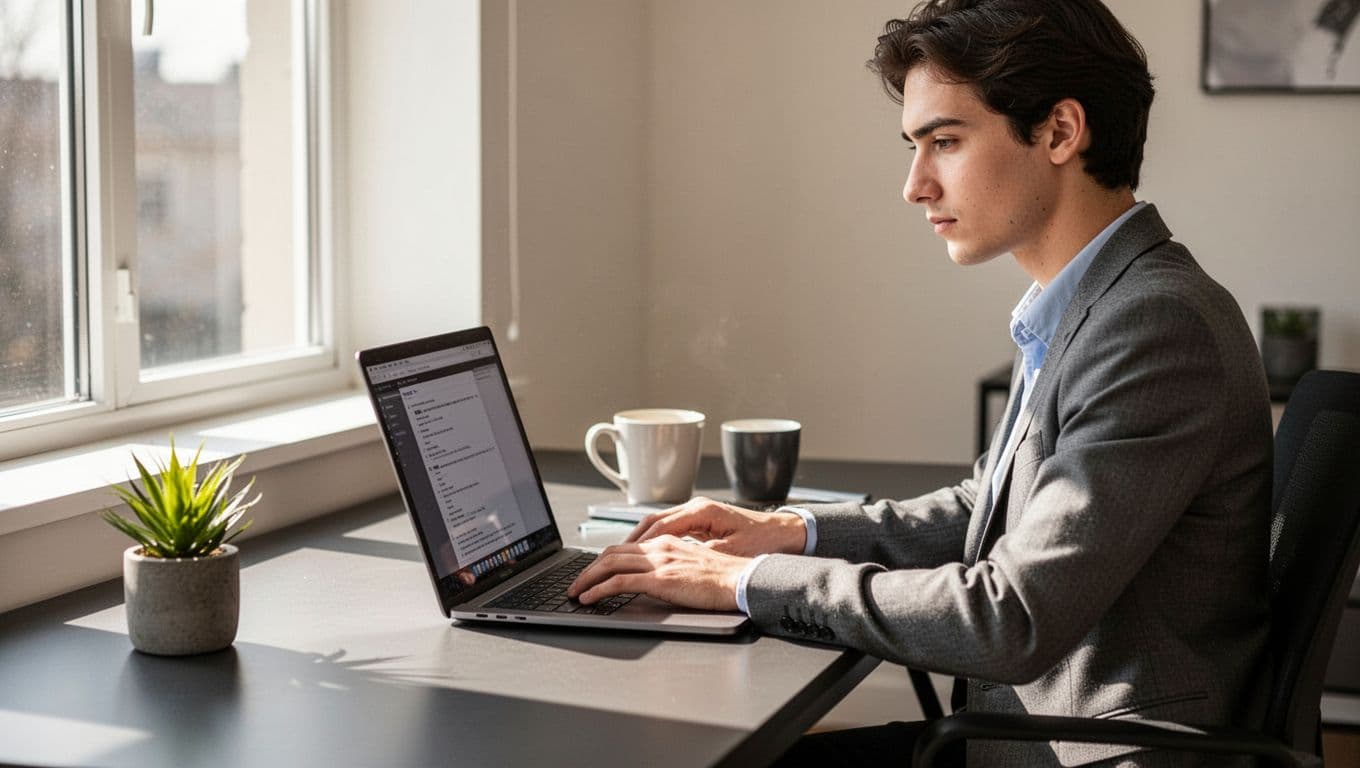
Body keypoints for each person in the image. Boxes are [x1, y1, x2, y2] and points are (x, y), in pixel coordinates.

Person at [568, 1, 1274, 764]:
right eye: (916, 145)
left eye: (945, 141)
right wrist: (789, 531)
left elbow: (1009, 619)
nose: (915, 185)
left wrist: (747, 581)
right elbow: (987, 511)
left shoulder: (1154, 325)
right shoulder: (1099, 305)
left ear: (1061, 132)